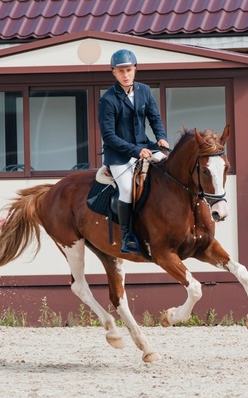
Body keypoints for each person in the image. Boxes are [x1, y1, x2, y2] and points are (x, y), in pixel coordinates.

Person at [98, 49, 169, 253]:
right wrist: (136, 150)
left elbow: (154, 118)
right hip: (118, 154)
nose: (126, 74)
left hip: (144, 146)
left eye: (129, 70)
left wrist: (161, 138)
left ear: (135, 69)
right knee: (128, 189)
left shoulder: (144, 91)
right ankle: (127, 236)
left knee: (169, 167)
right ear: (113, 72)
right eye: (121, 71)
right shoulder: (108, 100)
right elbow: (109, 136)